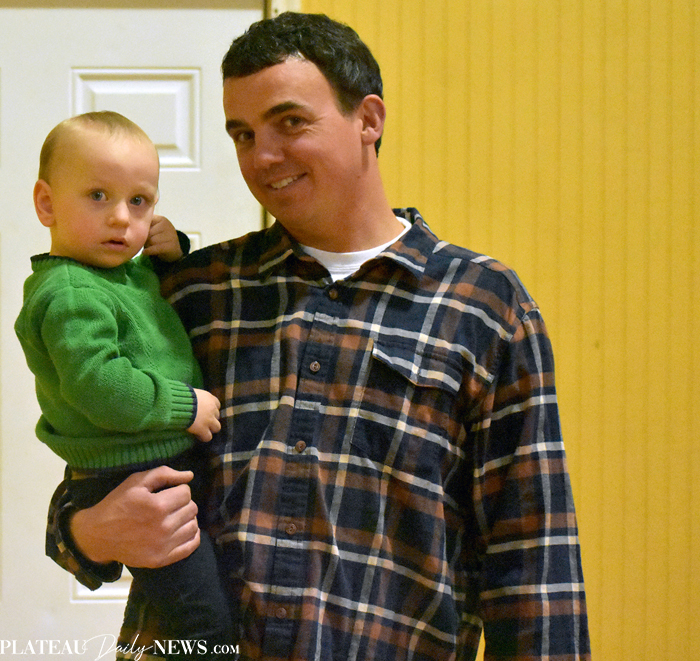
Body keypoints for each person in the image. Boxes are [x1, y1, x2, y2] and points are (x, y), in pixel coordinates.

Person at [45, 14, 591, 661]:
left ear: (369, 119)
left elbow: (533, 564)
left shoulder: (484, 306)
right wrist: (89, 530)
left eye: (290, 122)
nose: (262, 156)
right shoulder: (194, 292)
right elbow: (91, 481)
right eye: (243, 134)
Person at [16, 112, 234, 657]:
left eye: (139, 201)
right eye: (97, 195)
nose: (121, 217)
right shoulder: (71, 293)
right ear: (46, 204)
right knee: (204, 627)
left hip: (153, 468)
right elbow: (102, 387)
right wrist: (184, 405)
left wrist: (174, 248)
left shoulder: (117, 272)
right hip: (127, 479)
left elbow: (147, 295)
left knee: (204, 606)